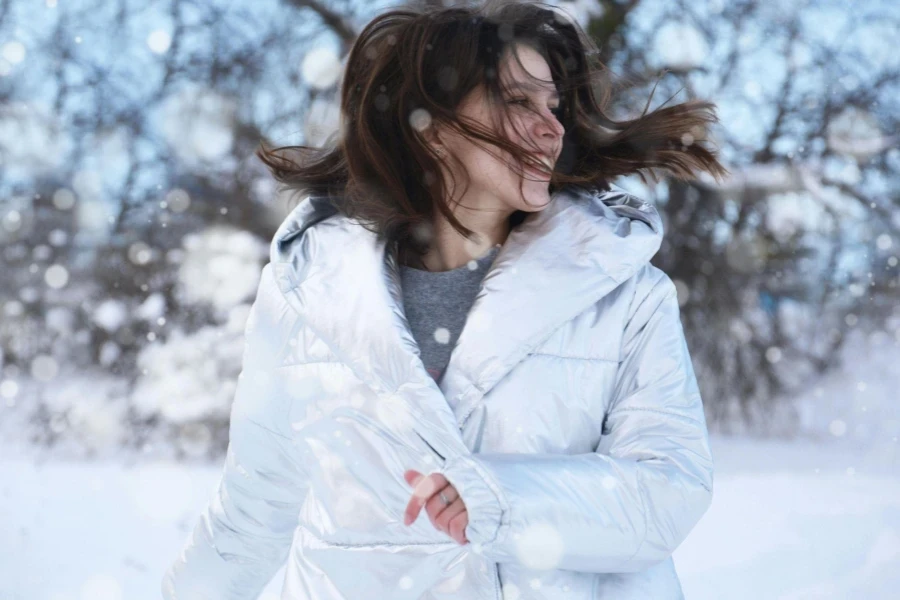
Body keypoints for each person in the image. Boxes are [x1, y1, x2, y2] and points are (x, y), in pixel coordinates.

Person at [162, 1, 728, 598]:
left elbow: (668, 491)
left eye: (553, 106)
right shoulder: (307, 291)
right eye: (518, 101)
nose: (552, 128)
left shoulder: (624, 294)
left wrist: (500, 499)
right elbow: (252, 512)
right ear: (428, 122)